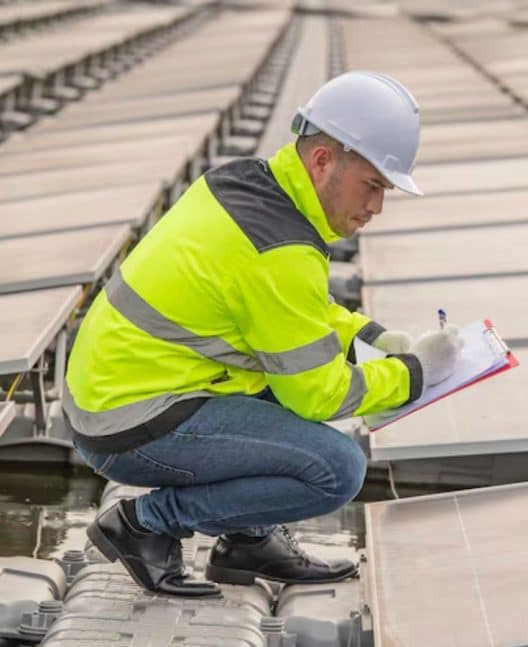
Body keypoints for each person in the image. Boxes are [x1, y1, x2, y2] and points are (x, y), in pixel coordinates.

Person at [62, 70, 463, 597]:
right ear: (323, 161)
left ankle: (247, 541)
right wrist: (413, 374)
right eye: (372, 185)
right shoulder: (280, 249)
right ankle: (147, 524)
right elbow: (321, 395)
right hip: (130, 418)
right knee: (336, 468)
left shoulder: (251, 184)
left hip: (117, 391)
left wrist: (372, 335)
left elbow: (292, 313)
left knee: (286, 394)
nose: (376, 208)